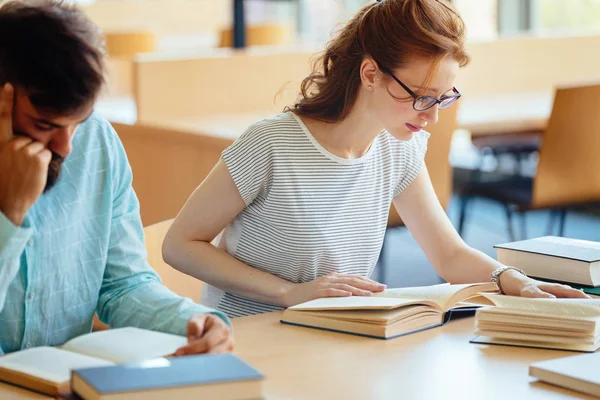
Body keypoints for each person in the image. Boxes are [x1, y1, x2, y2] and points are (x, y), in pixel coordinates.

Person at [163, 0, 589, 318]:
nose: (434, 116)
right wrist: (289, 292)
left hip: (336, 335)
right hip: (253, 334)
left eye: (443, 97)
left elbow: (449, 255)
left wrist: (513, 279)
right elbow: (180, 245)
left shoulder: (398, 147)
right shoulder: (271, 145)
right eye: (422, 97)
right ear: (370, 74)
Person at [0, 0, 233, 355]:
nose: (66, 146)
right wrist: (9, 215)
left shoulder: (98, 142)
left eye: (78, 120)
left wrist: (194, 322)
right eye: (45, 125)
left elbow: (123, 285)